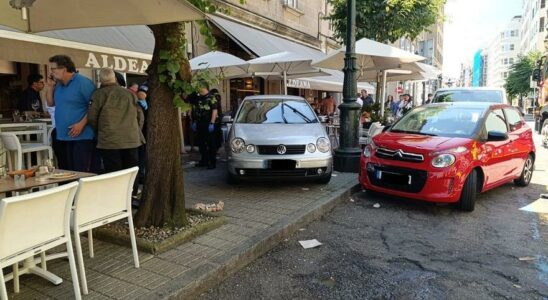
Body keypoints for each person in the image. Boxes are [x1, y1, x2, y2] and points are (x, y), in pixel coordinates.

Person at [88, 68, 144, 177]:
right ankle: (132, 193)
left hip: (109, 140)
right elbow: (140, 116)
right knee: (131, 172)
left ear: (101, 79)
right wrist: (136, 130)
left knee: (114, 173)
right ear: (114, 78)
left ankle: (117, 194)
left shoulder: (98, 95)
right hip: (131, 138)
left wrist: (100, 132)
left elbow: (91, 118)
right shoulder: (130, 94)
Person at [46, 54, 96, 172]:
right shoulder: (58, 85)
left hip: (81, 137)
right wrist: (50, 87)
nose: (51, 72)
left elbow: (94, 106)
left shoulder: (83, 83)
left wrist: (82, 124)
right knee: (65, 173)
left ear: (63, 69)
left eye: (53, 69)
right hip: (62, 135)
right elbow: (50, 102)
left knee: (80, 172)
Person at [189, 82, 221, 169]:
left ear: (204, 87)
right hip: (199, 122)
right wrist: (194, 121)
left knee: (210, 144)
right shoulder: (197, 97)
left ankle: (212, 162)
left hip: (208, 123)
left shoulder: (211, 97)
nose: (198, 88)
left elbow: (215, 110)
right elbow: (190, 102)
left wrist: (212, 122)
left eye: (199, 86)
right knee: (201, 143)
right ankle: (204, 160)